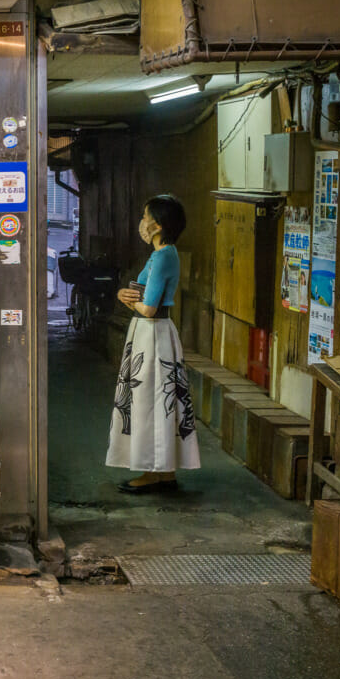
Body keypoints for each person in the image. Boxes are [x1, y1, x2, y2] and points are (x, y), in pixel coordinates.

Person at [106, 194, 200, 493]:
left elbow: (147, 307)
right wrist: (127, 295)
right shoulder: (164, 253)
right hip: (155, 331)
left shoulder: (162, 256)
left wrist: (125, 298)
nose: (142, 223)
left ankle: (151, 470)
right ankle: (164, 471)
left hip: (152, 331)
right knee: (161, 400)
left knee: (147, 399)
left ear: (158, 225)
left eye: (146, 217)